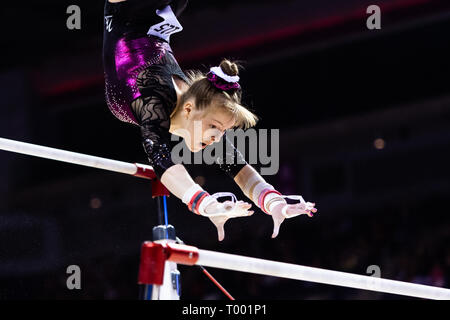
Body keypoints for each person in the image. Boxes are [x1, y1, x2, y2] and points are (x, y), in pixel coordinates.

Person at [103, 0, 317, 241]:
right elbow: (161, 158)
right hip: (133, 14)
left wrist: (274, 202)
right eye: (215, 127)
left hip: (138, 14)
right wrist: (205, 204)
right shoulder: (154, 98)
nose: (217, 137)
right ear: (188, 108)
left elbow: (239, 169)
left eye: (222, 130)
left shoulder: (199, 114)